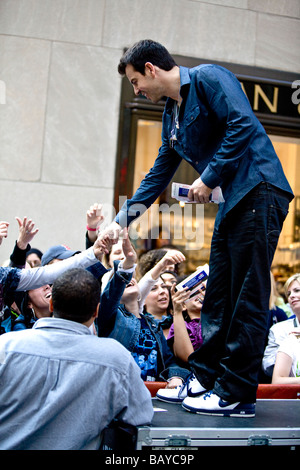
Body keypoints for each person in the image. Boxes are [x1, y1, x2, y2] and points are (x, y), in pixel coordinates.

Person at [100, 39, 294, 417]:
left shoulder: (208, 77)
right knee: (218, 295)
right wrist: (118, 222)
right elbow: (157, 176)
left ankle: (237, 392)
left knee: (246, 295)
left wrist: (207, 177)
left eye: (136, 81)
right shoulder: (170, 116)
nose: (137, 90)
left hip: (260, 190)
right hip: (232, 202)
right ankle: (206, 378)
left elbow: (242, 123)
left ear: (152, 69)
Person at [0, 268, 153, 450]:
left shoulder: (5, 347)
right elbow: (140, 415)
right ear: (96, 311)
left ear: (51, 305)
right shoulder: (117, 358)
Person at [98, 230, 190, 387]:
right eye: (123, 281)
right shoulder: (110, 318)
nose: (130, 281)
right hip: (120, 391)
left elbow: (169, 362)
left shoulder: (154, 326)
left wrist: (176, 376)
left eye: (132, 278)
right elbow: (110, 296)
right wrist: (128, 262)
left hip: (151, 396)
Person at [262, 273, 300, 378]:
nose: (292, 295)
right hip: (289, 391)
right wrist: (288, 345)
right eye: (288, 293)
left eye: (297, 290)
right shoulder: (278, 329)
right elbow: (267, 367)